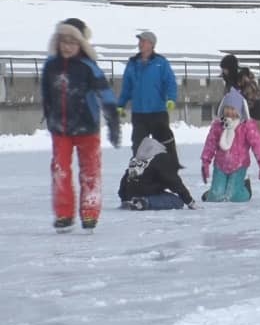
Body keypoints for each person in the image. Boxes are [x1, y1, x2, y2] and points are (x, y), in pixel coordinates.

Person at [41, 18, 121, 233]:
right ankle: (64, 214)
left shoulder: (88, 67)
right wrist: (48, 116)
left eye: (72, 42)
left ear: (80, 44)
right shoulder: (50, 66)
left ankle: (89, 211)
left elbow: (105, 94)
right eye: (63, 41)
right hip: (60, 128)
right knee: (60, 171)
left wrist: (113, 121)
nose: (67, 46)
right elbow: (46, 94)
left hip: (87, 127)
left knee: (90, 171)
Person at [117, 31, 180, 165]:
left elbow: (170, 82)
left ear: (151, 44)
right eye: (140, 41)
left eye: (143, 41)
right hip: (139, 113)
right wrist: (120, 105)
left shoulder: (161, 63)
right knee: (138, 146)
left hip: (158, 112)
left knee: (163, 144)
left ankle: (169, 169)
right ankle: (139, 172)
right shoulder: (132, 63)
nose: (140, 44)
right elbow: (127, 87)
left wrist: (171, 99)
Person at [200, 89, 260, 202]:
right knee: (216, 197)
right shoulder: (218, 126)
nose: (229, 112)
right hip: (220, 166)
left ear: (239, 111)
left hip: (239, 166)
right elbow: (210, 144)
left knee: (232, 197)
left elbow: (257, 146)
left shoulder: (246, 127)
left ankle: (245, 188)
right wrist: (205, 163)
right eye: (227, 108)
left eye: (233, 109)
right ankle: (213, 192)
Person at [118, 137, 196, 210]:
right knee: (177, 201)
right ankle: (144, 202)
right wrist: (189, 201)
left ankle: (134, 202)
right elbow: (174, 182)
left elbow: (125, 178)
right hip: (146, 193)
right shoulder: (161, 158)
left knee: (161, 194)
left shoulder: (137, 157)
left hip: (130, 194)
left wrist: (124, 198)